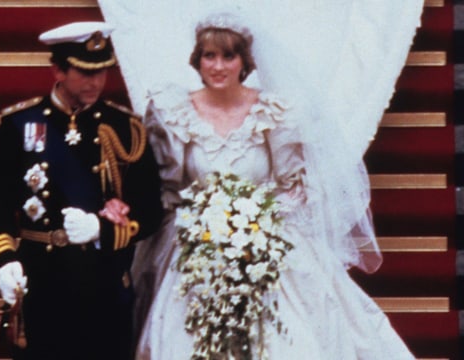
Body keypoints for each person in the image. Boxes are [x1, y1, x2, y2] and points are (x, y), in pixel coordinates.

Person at [126, 13, 416, 359]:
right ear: (197, 60)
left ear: (245, 62)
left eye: (228, 56)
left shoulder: (274, 113)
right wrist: (205, 228)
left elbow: (294, 187)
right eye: (209, 56)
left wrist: (254, 229)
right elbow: (169, 191)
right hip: (197, 249)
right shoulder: (174, 112)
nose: (218, 66)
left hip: (267, 243)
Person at [0, 21, 164, 360]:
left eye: (102, 72)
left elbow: (151, 209)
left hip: (103, 287)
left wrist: (102, 229)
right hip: (42, 286)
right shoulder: (20, 125)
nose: (96, 82)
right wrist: (5, 261)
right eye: (84, 72)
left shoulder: (125, 128)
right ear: (57, 70)